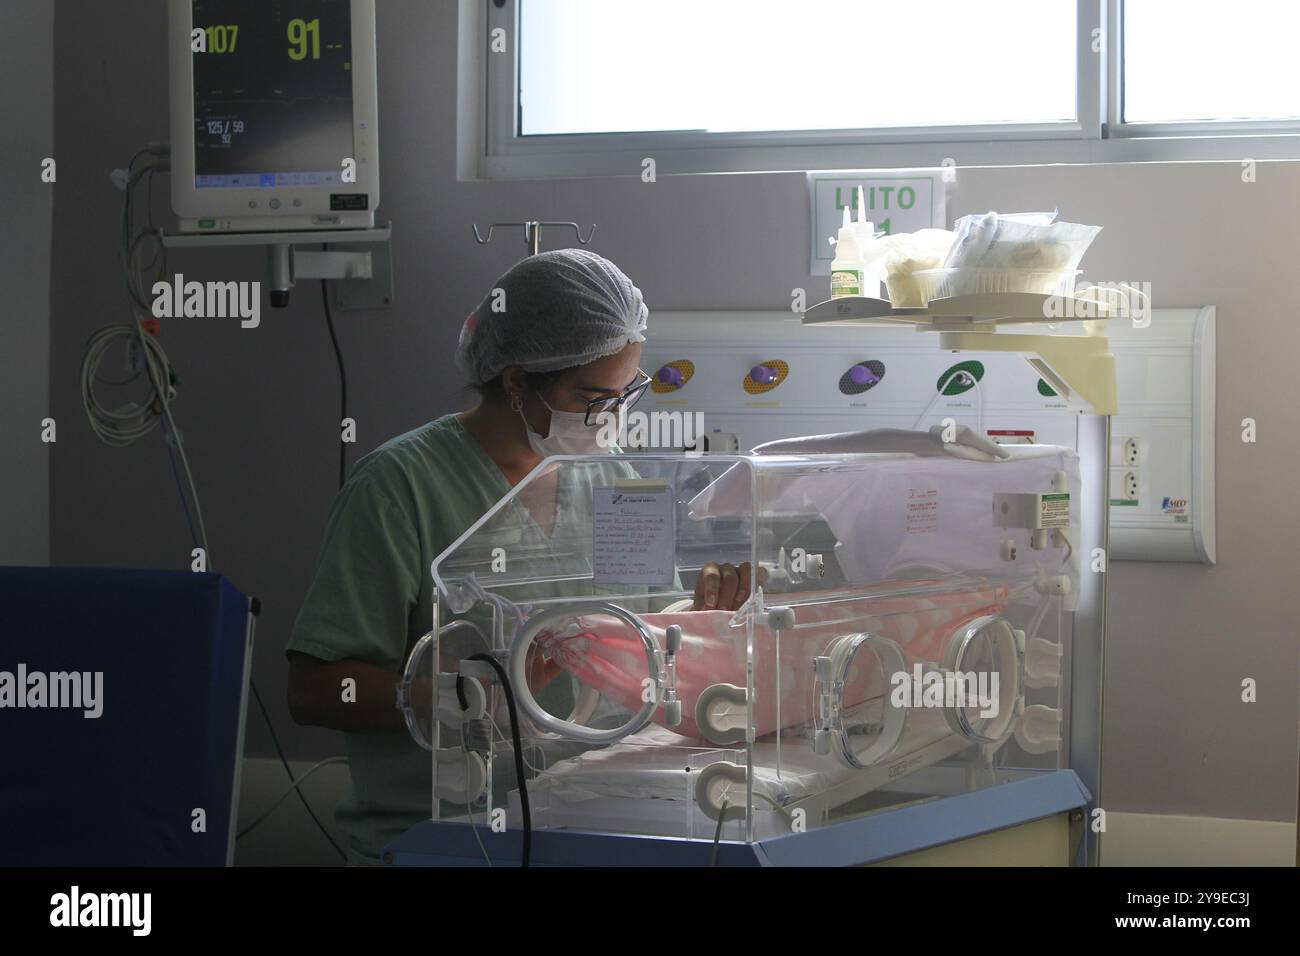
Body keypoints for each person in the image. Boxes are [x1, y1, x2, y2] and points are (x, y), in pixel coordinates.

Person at [286, 249, 759, 865]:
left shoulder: (612, 479)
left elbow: (648, 637)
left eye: (627, 394)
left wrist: (700, 621)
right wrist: (457, 699)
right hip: (444, 835)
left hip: (595, 816)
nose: (613, 418)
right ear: (516, 383)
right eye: (595, 399)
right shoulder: (398, 489)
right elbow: (314, 689)